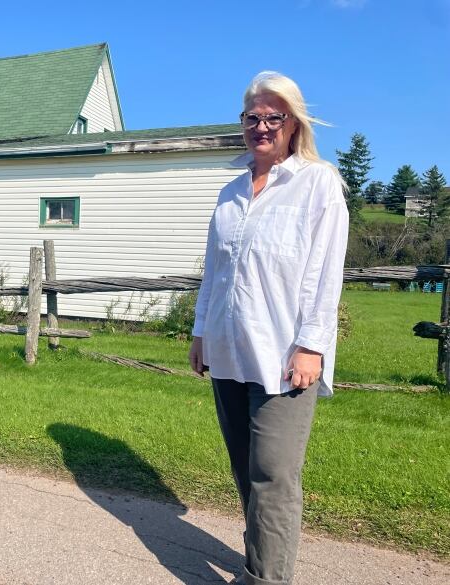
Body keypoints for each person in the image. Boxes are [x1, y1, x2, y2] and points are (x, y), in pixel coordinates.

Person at [188, 71, 348, 585]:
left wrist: (311, 346)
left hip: (285, 358)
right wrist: (200, 332)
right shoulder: (230, 192)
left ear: (293, 123)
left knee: (273, 475)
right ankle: (260, 561)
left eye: (273, 117)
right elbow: (214, 272)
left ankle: (266, 579)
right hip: (230, 350)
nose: (261, 126)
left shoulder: (318, 183)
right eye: (252, 117)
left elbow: (326, 275)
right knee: (246, 472)